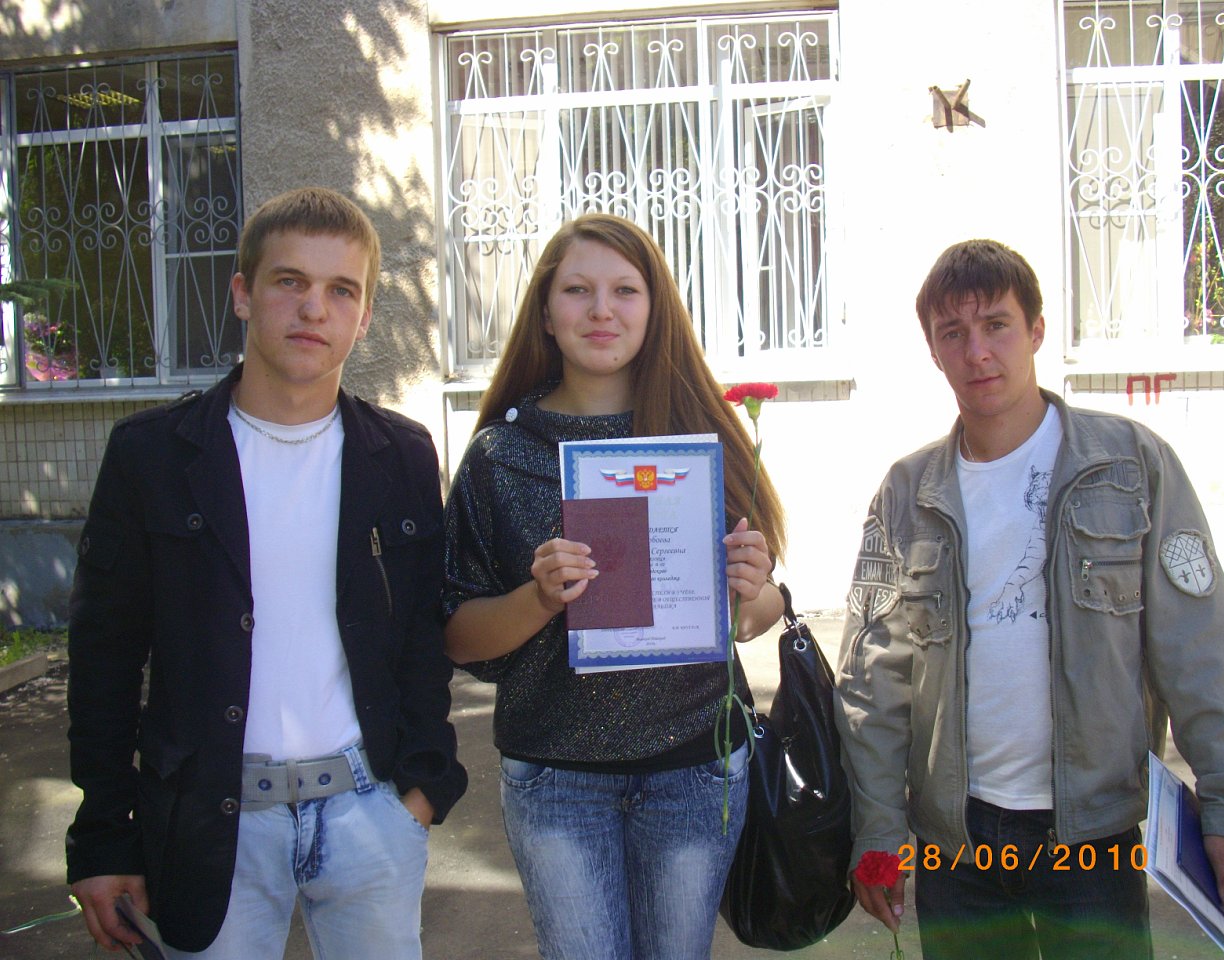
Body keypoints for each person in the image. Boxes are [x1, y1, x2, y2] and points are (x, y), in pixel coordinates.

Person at [834, 239, 1224, 959]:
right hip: (958, 844)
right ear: (934, 351)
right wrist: (879, 830)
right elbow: (873, 676)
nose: (978, 352)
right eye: (954, 333)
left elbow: (1201, 645)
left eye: (997, 325)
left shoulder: (1130, 465)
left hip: (1093, 837)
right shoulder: (908, 493)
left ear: (1037, 330)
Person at [65, 187, 467, 958]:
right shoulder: (153, 456)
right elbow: (104, 659)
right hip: (208, 823)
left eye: (341, 290)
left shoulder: (402, 456)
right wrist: (103, 838)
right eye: (290, 281)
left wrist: (420, 792)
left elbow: (422, 637)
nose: (314, 308)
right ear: (243, 294)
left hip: (369, 815)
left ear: (364, 315)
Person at [443, 212, 785, 960]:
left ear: (655, 309)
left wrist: (749, 588)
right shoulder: (502, 456)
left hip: (695, 768)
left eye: (625, 290)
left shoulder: (700, 440)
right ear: (545, 312)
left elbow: (758, 613)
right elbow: (459, 637)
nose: (602, 310)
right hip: (557, 778)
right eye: (578, 290)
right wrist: (538, 599)